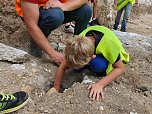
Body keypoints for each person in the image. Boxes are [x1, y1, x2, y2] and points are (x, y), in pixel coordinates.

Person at [48, 25, 129, 101]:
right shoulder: (77, 44)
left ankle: (92, 66)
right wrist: (55, 88)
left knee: (97, 65)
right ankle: (82, 65)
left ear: (92, 56)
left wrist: (100, 84)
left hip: (111, 54)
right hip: (91, 52)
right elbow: (63, 66)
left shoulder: (109, 44)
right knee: (76, 67)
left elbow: (120, 68)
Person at [16, 0, 92, 65]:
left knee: (86, 11)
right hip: (34, 11)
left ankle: (78, 50)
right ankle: (35, 48)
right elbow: (32, 25)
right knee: (55, 16)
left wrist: (63, 6)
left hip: (57, 7)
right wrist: (53, 54)